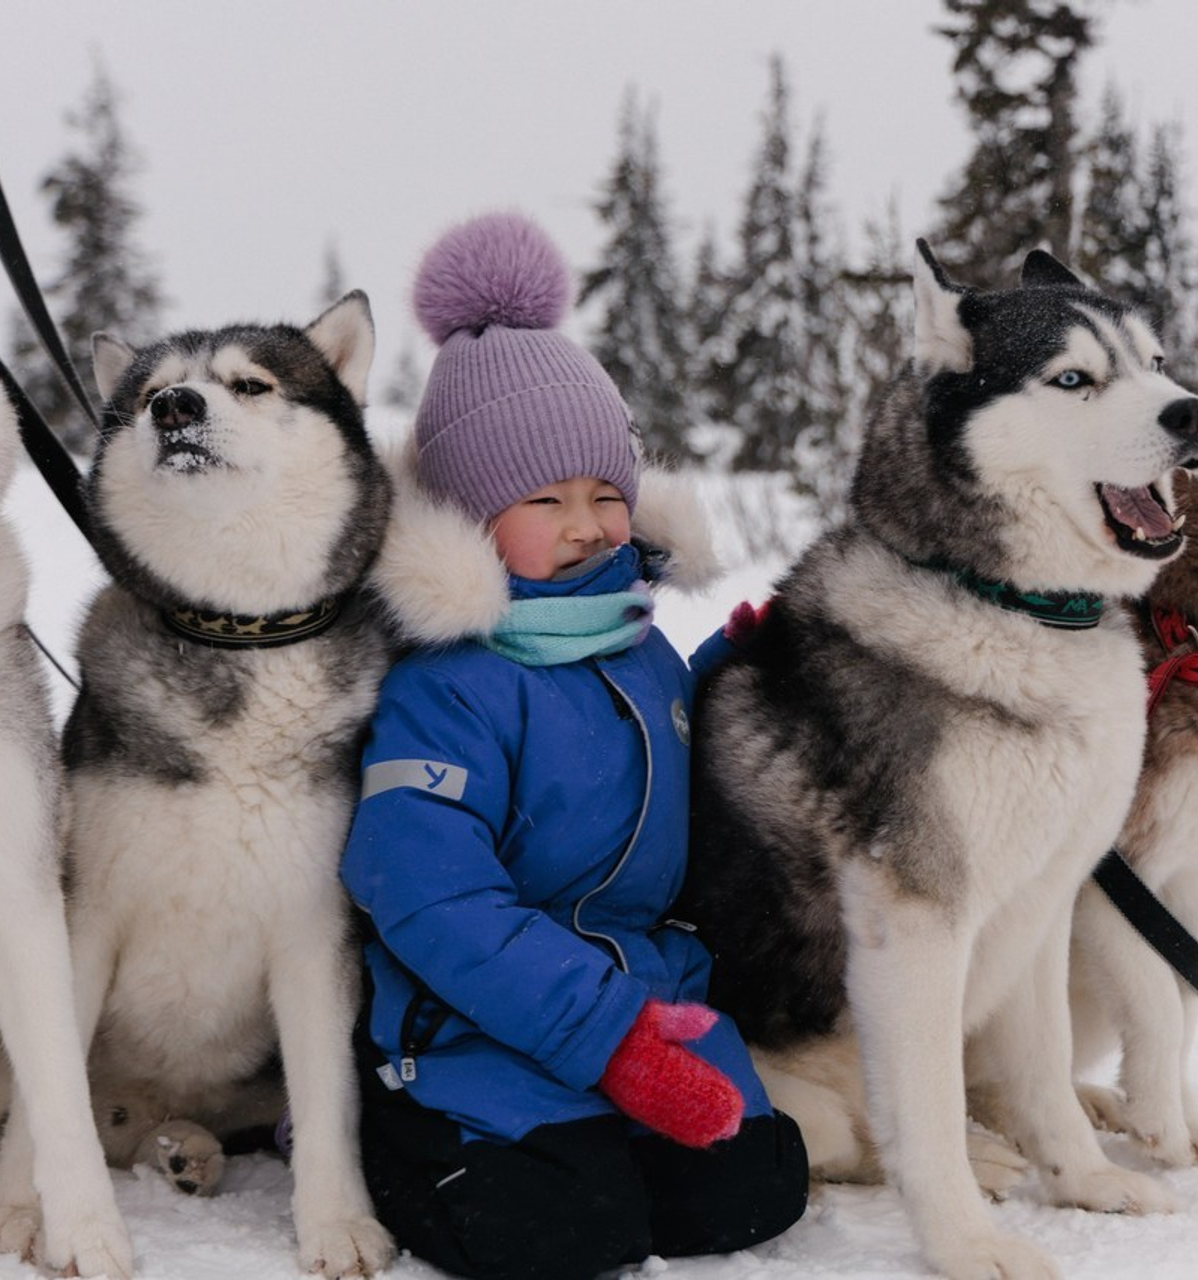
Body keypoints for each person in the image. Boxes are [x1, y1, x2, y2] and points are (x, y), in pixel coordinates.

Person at [340, 211, 808, 1280]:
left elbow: (656, 781)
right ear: (469, 518)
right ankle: (390, 1134)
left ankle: (590, 1129)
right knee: (567, 1231)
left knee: (756, 1184)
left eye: (604, 492)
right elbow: (428, 896)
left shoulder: (640, 651)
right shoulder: (444, 685)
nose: (589, 523)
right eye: (544, 500)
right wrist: (611, 1042)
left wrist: (728, 682)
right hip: (468, 1026)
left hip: (639, 992)